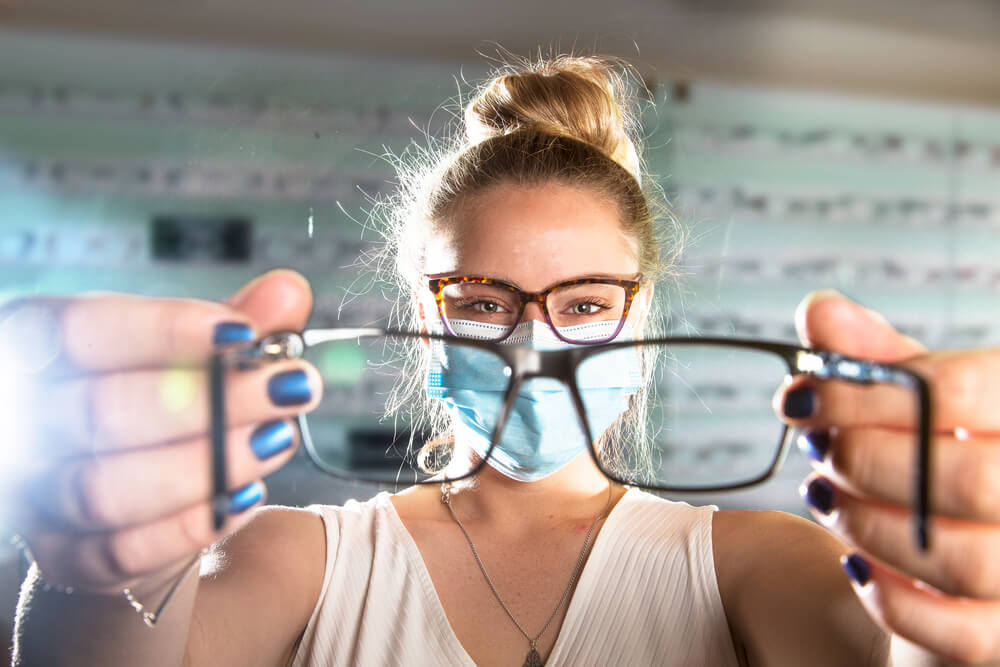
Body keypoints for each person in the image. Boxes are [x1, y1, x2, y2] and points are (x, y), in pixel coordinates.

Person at [7, 55, 1000, 667]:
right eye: (481, 303)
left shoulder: (757, 564)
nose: (530, 343)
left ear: (640, 318)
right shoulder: (295, 559)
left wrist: (950, 621)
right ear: (422, 319)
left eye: (582, 304)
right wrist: (93, 577)